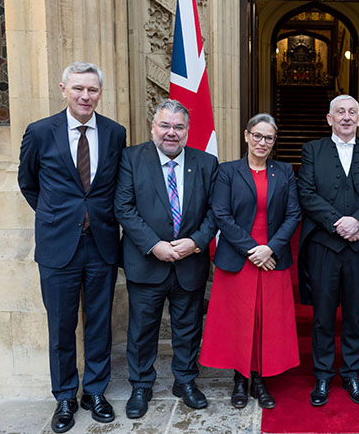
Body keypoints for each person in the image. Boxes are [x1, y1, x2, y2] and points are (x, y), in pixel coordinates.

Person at [18, 62, 126, 433]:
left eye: (92, 90)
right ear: (63, 89)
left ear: (100, 93)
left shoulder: (114, 133)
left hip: (101, 245)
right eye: (78, 88)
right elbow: (28, 183)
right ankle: (64, 396)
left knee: (99, 323)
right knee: (61, 325)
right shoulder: (40, 132)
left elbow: (113, 186)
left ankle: (95, 392)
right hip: (57, 247)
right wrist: (58, 218)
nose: (85, 96)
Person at [114, 99, 218, 418]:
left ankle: (185, 381)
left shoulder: (206, 163)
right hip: (146, 261)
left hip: (190, 262)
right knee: (143, 329)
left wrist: (196, 242)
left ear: (187, 130)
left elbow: (216, 211)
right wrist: (154, 245)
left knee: (187, 328)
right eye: (165, 125)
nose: (171, 133)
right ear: (153, 127)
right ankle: (142, 384)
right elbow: (124, 208)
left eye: (178, 127)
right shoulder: (131, 158)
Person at [200, 113, 301, 410]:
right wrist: (252, 250)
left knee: (265, 323)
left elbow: (293, 214)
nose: (262, 142)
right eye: (257, 135)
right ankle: (240, 380)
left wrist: (269, 248)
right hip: (239, 259)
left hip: (272, 258)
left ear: (274, 142)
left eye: (268, 137)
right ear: (246, 136)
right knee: (239, 322)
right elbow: (221, 214)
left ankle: (260, 380)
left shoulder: (284, 172)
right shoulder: (228, 171)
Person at [297, 95, 359, 407]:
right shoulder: (312, 150)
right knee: (323, 315)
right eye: (341, 112)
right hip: (324, 246)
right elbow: (306, 192)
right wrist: (337, 223)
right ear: (329, 118)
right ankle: (323, 375)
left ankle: (351, 374)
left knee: (354, 315)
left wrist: (358, 222)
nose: (347, 117)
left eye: (352, 112)